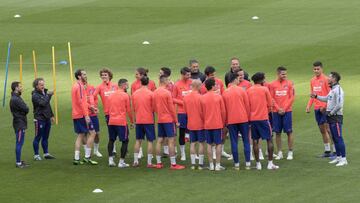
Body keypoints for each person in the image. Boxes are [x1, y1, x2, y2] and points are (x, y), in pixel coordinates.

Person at [311, 72, 347, 167]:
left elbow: (339, 105)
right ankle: (338, 157)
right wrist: (316, 96)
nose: (328, 78)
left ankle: (344, 159)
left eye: (330, 77)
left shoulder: (338, 90)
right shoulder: (333, 89)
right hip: (331, 116)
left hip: (335, 117)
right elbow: (327, 99)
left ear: (334, 79)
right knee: (334, 138)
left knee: (338, 138)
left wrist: (331, 113)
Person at [247, 72, 279, 170]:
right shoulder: (264, 89)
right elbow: (270, 104)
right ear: (260, 80)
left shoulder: (248, 90)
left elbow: (247, 105)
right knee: (269, 139)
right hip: (263, 118)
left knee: (255, 141)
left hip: (253, 119)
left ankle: (258, 164)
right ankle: (270, 163)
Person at [153, 76, 185, 170]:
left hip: (160, 119)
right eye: (168, 80)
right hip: (168, 120)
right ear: (165, 81)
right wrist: (176, 121)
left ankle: (159, 163)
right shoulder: (167, 93)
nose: (170, 81)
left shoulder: (155, 92)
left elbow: (154, 107)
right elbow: (171, 108)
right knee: (171, 141)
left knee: (159, 141)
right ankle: (173, 164)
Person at [222, 72, 251, 170]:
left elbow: (224, 109)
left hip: (231, 120)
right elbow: (247, 106)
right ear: (234, 79)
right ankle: (247, 163)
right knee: (246, 140)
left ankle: (237, 164)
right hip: (243, 119)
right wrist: (248, 118)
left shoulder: (225, 92)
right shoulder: (242, 90)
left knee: (234, 142)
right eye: (238, 78)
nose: (239, 80)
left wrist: (225, 121)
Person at [200, 66, 230, 160]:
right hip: (211, 114)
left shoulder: (220, 82)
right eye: (212, 75)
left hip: (219, 110)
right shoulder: (204, 86)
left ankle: (221, 151)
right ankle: (214, 153)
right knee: (213, 138)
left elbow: (224, 93)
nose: (214, 76)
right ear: (207, 75)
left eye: (214, 74)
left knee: (224, 132)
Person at [306, 61, 335, 157]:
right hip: (317, 108)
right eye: (314, 69)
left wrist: (325, 106)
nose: (316, 70)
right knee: (322, 129)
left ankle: (335, 151)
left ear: (322, 69)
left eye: (318, 69)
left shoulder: (327, 79)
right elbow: (313, 94)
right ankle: (327, 151)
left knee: (328, 129)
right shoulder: (312, 80)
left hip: (325, 108)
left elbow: (331, 95)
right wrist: (308, 106)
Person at [71, 69, 97, 165]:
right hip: (82, 114)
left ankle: (76, 158)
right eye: (84, 74)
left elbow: (80, 101)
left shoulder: (75, 86)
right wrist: (86, 115)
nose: (86, 76)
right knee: (93, 133)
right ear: (79, 76)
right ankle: (87, 157)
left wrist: (91, 107)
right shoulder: (80, 86)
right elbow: (82, 102)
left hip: (76, 114)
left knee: (80, 135)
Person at [270, 67, 295, 160]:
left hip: (287, 111)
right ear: (278, 74)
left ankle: (290, 152)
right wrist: (278, 108)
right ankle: (279, 152)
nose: (285, 76)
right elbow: (271, 98)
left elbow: (291, 97)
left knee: (289, 131)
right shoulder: (272, 84)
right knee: (277, 132)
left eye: (285, 74)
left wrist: (284, 108)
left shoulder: (290, 83)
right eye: (283, 74)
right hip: (276, 112)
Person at [131, 67, 156, 159]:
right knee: (150, 140)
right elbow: (154, 103)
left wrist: (133, 120)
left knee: (138, 139)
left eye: (137, 74)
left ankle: (135, 160)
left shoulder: (136, 91)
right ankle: (149, 161)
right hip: (148, 117)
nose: (135, 75)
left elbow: (133, 104)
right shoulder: (150, 91)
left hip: (138, 117)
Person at [201, 78, 226, 171]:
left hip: (207, 124)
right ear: (212, 86)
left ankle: (211, 165)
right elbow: (223, 112)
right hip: (217, 124)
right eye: (215, 84)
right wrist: (223, 123)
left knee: (209, 144)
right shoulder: (218, 97)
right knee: (218, 144)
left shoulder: (202, 98)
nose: (217, 86)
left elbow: (201, 113)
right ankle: (218, 165)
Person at [107, 79, 134, 168]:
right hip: (121, 122)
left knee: (111, 140)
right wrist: (132, 121)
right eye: (127, 85)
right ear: (124, 85)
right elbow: (129, 110)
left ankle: (110, 160)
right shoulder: (125, 95)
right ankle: (121, 162)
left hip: (111, 121)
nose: (128, 86)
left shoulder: (110, 95)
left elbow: (108, 109)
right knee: (125, 141)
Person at [94, 68, 118, 156]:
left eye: (105, 75)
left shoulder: (115, 86)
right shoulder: (100, 87)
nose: (103, 76)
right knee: (111, 131)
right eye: (102, 75)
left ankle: (123, 147)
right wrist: (94, 106)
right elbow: (93, 96)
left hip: (118, 112)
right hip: (108, 113)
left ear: (109, 76)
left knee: (119, 131)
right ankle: (114, 149)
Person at [32, 78, 55, 161]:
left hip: (46, 118)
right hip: (39, 119)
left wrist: (51, 115)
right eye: (41, 84)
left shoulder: (44, 92)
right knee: (38, 137)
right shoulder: (35, 95)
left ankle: (46, 153)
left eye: (43, 84)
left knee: (46, 137)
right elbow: (43, 103)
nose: (43, 86)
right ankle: (36, 155)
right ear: (36, 86)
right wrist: (49, 95)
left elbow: (47, 105)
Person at [183, 79, 205, 170]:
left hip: (191, 123)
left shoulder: (186, 97)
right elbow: (204, 112)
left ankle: (192, 163)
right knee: (201, 143)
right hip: (200, 123)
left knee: (192, 143)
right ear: (198, 86)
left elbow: (185, 112)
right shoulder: (201, 97)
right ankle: (200, 163)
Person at [173, 67, 192, 161]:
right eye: (187, 75)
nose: (189, 76)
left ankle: (194, 153)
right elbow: (173, 98)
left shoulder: (192, 82)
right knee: (182, 133)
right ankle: (183, 153)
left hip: (192, 111)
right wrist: (182, 102)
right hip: (181, 112)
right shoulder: (177, 85)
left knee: (194, 131)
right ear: (182, 74)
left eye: (190, 74)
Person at [10, 81, 30, 168]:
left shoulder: (15, 97)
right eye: (20, 86)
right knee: (19, 143)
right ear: (16, 88)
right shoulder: (16, 99)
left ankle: (19, 161)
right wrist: (25, 107)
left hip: (19, 122)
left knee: (20, 142)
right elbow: (26, 109)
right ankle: (18, 163)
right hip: (19, 123)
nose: (21, 88)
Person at [85, 81, 102, 157]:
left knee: (97, 133)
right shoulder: (79, 89)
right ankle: (86, 151)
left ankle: (96, 150)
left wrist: (94, 107)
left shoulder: (92, 87)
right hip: (84, 115)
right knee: (84, 133)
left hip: (93, 114)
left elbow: (95, 99)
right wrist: (90, 107)